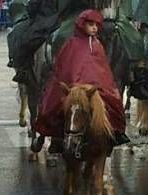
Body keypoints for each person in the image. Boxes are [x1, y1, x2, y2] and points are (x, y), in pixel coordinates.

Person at [35, 9, 130, 150]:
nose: (94, 28)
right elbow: (66, 68)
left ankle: (115, 132)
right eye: (91, 25)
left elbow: (103, 71)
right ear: (82, 25)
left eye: (96, 25)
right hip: (74, 85)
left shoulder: (97, 44)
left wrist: (104, 85)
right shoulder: (72, 44)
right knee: (54, 102)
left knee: (113, 102)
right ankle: (48, 135)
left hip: (95, 86)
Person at [12, 0, 66, 83]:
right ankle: (23, 69)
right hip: (43, 21)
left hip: (62, 21)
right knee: (26, 40)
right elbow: (33, 5)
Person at [7, 0, 44, 73]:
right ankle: (15, 59)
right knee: (15, 32)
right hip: (26, 18)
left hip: (42, 18)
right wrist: (23, 10)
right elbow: (15, 4)